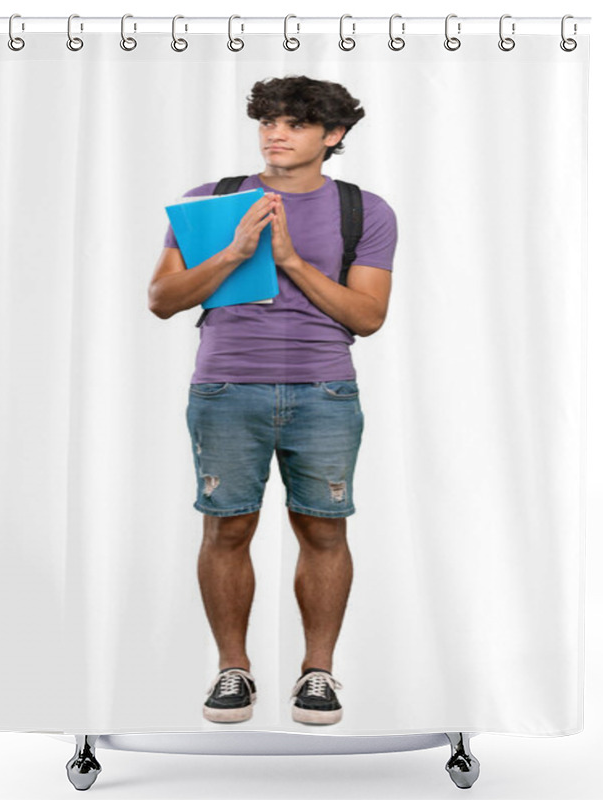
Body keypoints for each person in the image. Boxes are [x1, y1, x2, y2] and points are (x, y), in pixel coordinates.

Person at [148, 75, 397, 726]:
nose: (276, 134)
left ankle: (319, 673)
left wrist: (288, 259)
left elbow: (368, 316)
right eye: (267, 123)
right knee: (226, 526)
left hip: (324, 388)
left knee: (322, 527)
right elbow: (163, 299)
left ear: (333, 135)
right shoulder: (212, 201)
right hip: (226, 384)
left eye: (294, 124)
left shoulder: (363, 211)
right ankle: (234, 670)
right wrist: (234, 252)